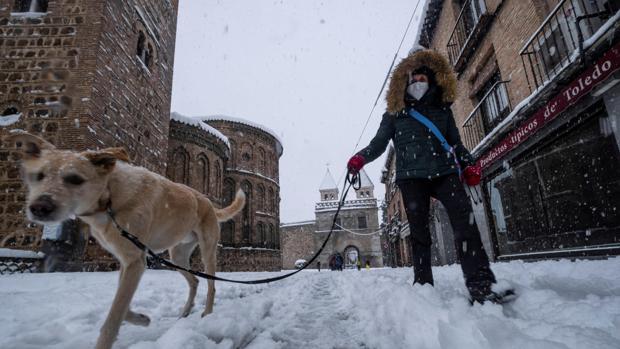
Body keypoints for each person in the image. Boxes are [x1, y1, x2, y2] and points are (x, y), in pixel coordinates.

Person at [347, 46, 511, 304]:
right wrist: (360, 158)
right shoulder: (394, 113)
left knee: (465, 224)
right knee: (420, 234)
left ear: (432, 77)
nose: (417, 81)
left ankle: (481, 285)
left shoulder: (442, 110)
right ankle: (424, 286)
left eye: (422, 77)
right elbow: (378, 144)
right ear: (405, 79)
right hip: (411, 179)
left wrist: (468, 164)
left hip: (444, 172)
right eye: (412, 77)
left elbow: (455, 143)